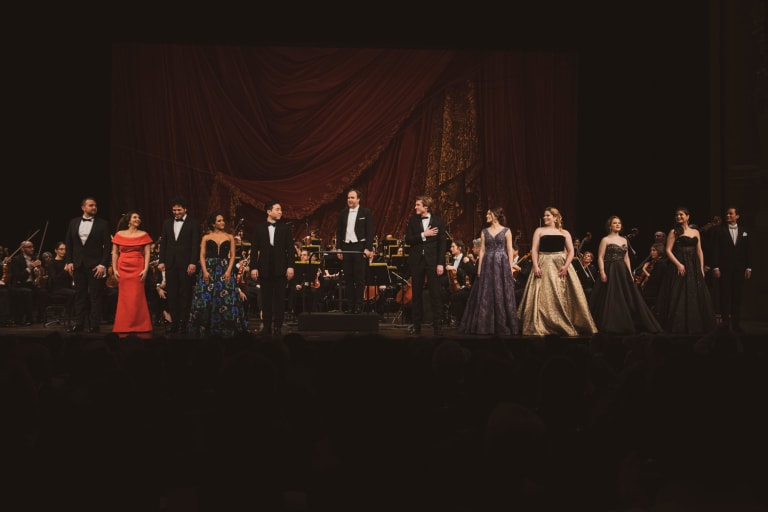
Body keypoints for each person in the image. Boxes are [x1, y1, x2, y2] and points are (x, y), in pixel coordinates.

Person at [517, 206, 597, 337]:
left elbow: (571, 251)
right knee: (543, 294)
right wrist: (536, 266)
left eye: (548, 215)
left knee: (562, 293)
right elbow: (534, 250)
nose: (545, 217)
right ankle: (542, 323)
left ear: (555, 217)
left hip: (560, 264)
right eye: (544, 215)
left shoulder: (564, 232)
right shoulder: (539, 231)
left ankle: (565, 321)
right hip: (544, 262)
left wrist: (566, 266)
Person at [588, 216, 663, 335]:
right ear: (610, 226)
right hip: (610, 269)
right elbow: (600, 257)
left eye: (619, 223)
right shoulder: (605, 240)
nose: (618, 225)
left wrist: (629, 273)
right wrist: (602, 271)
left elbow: (626, 258)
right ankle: (610, 323)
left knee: (627, 294)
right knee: (610, 295)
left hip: (622, 269)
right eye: (615, 223)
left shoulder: (624, 240)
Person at [655, 206, 716, 335]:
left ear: (688, 216)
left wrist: (701, 267)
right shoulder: (674, 231)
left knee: (694, 294)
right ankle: (679, 326)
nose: (679, 217)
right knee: (680, 294)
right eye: (677, 215)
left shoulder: (695, 232)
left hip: (693, 265)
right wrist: (678, 264)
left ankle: (696, 325)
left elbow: (699, 250)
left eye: (681, 215)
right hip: (680, 263)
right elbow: (668, 250)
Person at [458, 207, 519, 336]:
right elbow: (482, 250)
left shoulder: (506, 231)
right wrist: (479, 268)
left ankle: (502, 323)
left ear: (495, 215)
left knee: (500, 292)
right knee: (487, 292)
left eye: (488, 213)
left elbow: (509, 250)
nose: (486, 215)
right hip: (487, 264)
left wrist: (509, 267)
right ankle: (485, 324)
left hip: (501, 263)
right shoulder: (484, 231)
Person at [188, 211, 248, 338]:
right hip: (209, 268)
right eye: (219, 221)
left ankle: (225, 327)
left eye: (223, 220)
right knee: (205, 298)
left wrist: (228, 271)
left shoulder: (229, 237)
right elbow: (202, 255)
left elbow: (232, 256)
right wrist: (204, 271)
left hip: (224, 268)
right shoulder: (206, 237)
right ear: (213, 223)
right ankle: (205, 328)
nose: (222, 223)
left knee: (225, 299)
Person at [64, 197, 112, 333]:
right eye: (91, 205)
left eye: (95, 205)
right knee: (80, 295)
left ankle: (94, 324)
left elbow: (107, 247)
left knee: (95, 296)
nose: (94, 208)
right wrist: (69, 261)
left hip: (95, 265)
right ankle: (79, 323)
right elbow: (69, 243)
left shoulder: (103, 224)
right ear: (83, 207)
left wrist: (103, 264)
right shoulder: (73, 222)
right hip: (78, 264)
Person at [250, 200, 295, 336]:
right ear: (269, 212)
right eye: (277, 209)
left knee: (279, 299)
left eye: (281, 209)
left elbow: (290, 250)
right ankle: (267, 326)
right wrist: (253, 267)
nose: (280, 212)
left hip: (281, 268)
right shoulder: (259, 228)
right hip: (264, 268)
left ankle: (278, 326)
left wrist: (290, 267)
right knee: (266, 298)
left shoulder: (285, 228)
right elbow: (254, 250)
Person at [404, 195, 447, 336]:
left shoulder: (438, 221)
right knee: (416, 294)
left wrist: (440, 263)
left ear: (426, 207)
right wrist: (424, 234)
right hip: (417, 262)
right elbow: (408, 240)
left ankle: (437, 326)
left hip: (432, 262)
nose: (415, 207)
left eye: (418, 205)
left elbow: (442, 244)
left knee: (435, 293)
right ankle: (416, 325)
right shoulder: (412, 220)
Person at [157, 196, 201, 334]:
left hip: (186, 264)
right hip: (170, 263)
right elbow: (163, 243)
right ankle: (174, 323)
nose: (176, 212)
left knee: (185, 294)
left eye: (179, 209)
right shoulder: (167, 223)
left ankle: (184, 323)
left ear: (185, 209)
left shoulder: (194, 223)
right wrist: (161, 261)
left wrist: (193, 262)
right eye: (174, 210)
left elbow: (195, 245)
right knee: (172, 294)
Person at [110, 210, 154, 336]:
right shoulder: (119, 234)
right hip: (123, 267)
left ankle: (141, 325)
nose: (138, 219)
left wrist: (145, 270)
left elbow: (147, 253)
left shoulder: (144, 234)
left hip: (138, 267)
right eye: (135, 217)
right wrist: (114, 269)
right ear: (128, 220)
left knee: (137, 296)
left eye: (139, 218)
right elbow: (115, 253)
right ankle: (123, 325)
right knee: (124, 297)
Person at [710, 206, 752, 332]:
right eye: (727, 214)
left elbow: (748, 251)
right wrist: (716, 267)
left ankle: (736, 324)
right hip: (724, 268)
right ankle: (725, 324)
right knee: (725, 295)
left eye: (731, 214)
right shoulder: (720, 230)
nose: (728, 216)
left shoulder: (744, 231)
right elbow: (715, 250)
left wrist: (749, 268)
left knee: (737, 296)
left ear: (737, 216)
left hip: (739, 269)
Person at [335, 188, 375, 314]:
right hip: (346, 247)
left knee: (359, 279)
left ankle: (359, 306)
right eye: (348, 198)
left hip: (360, 248)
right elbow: (339, 231)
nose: (350, 200)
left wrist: (368, 248)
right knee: (348, 278)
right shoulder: (343, 213)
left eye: (352, 197)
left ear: (358, 199)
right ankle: (350, 305)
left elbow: (370, 232)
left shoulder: (366, 212)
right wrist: (339, 248)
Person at [444, 239, 475, 327]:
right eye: (451, 247)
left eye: (453, 247)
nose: (451, 249)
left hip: (465, 286)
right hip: (455, 286)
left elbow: (471, 273)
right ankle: (445, 318)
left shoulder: (465, 259)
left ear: (459, 248)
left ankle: (459, 320)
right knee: (441, 292)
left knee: (455, 296)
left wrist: (455, 269)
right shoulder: (453, 259)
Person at [638, 242, 669, 313]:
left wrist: (644, 269)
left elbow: (653, 279)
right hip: (657, 290)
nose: (651, 252)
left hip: (655, 292)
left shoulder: (660, 263)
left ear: (659, 250)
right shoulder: (660, 261)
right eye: (651, 250)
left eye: (654, 250)